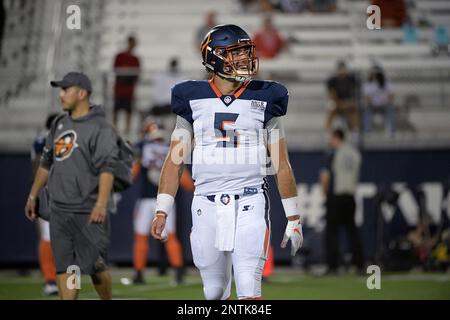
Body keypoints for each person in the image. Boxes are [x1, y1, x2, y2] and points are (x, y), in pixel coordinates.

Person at [150, 24, 304, 300]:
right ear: (214, 57)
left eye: (245, 52)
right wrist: (162, 209)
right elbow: (174, 161)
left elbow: (282, 163)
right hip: (206, 202)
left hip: (250, 200)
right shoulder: (192, 97)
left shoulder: (265, 97)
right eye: (236, 53)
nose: (245, 59)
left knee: (247, 285)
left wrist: (293, 216)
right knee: (214, 291)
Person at [24, 72, 119, 300]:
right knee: (68, 267)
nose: (61, 94)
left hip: (87, 210)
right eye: (60, 89)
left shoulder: (100, 127)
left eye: (66, 89)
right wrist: (33, 195)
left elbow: (107, 169)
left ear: (82, 93)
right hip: (59, 210)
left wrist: (101, 203)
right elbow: (46, 164)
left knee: (96, 268)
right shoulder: (58, 124)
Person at [131, 118, 194, 285]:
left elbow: (132, 174)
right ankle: (179, 272)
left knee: (141, 237)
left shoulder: (143, 147)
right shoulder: (169, 148)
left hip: (146, 200)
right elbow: (186, 182)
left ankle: (138, 274)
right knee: (171, 237)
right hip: (165, 200)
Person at [320, 129, 364, 274]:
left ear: (336, 137)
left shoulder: (333, 153)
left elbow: (325, 177)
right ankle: (359, 264)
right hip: (350, 196)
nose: (329, 141)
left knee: (332, 233)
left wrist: (326, 193)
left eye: (331, 138)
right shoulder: (355, 153)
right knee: (352, 231)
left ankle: (333, 266)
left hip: (336, 196)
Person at [30, 113, 59, 296]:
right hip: (54, 192)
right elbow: (39, 166)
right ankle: (51, 279)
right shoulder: (46, 140)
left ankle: (55, 279)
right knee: (51, 237)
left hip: (60, 192)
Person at [113, 35, 141, 135]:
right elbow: (116, 70)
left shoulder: (136, 59)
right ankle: (114, 130)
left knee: (128, 111)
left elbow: (137, 74)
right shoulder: (119, 56)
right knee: (116, 110)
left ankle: (127, 131)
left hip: (129, 90)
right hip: (119, 89)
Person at [325, 61, 360, 136]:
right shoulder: (333, 81)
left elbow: (355, 94)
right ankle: (328, 129)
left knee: (353, 109)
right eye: (340, 69)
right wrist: (338, 102)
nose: (342, 71)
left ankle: (354, 129)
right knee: (332, 108)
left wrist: (346, 103)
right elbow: (331, 94)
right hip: (337, 103)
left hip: (348, 103)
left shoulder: (351, 79)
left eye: (343, 69)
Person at [362, 65, 395, 135]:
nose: (374, 75)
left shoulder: (387, 83)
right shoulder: (367, 84)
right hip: (372, 105)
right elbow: (366, 98)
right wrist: (371, 101)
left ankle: (391, 131)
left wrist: (386, 101)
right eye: (373, 73)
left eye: (376, 73)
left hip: (385, 105)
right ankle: (367, 131)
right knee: (366, 109)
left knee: (390, 108)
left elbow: (392, 96)